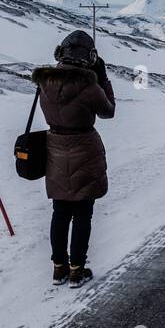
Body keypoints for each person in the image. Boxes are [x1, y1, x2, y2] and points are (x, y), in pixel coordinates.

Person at [31, 30, 116, 287]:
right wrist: (103, 79)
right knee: (82, 213)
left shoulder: (44, 82)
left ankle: (59, 268)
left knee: (60, 211)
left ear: (61, 53)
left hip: (55, 148)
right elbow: (108, 112)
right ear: (89, 58)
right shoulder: (89, 86)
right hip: (84, 150)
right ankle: (77, 269)